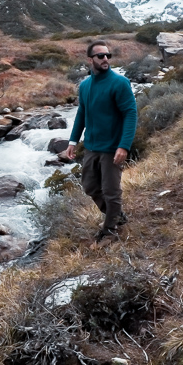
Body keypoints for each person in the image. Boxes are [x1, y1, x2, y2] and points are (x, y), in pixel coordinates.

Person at [65, 41, 137, 242]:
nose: (105, 59)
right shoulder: (85, 85)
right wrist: (73, 141)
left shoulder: (119, 83)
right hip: (91, 146)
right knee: (89, 186)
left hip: (112, 147)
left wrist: (124, 145)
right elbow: (82, 113)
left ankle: (110, 230)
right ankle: (117, 216)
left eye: (108, 55)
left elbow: (130, 114)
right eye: (100, 56)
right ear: (90, 60)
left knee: (111, 191)